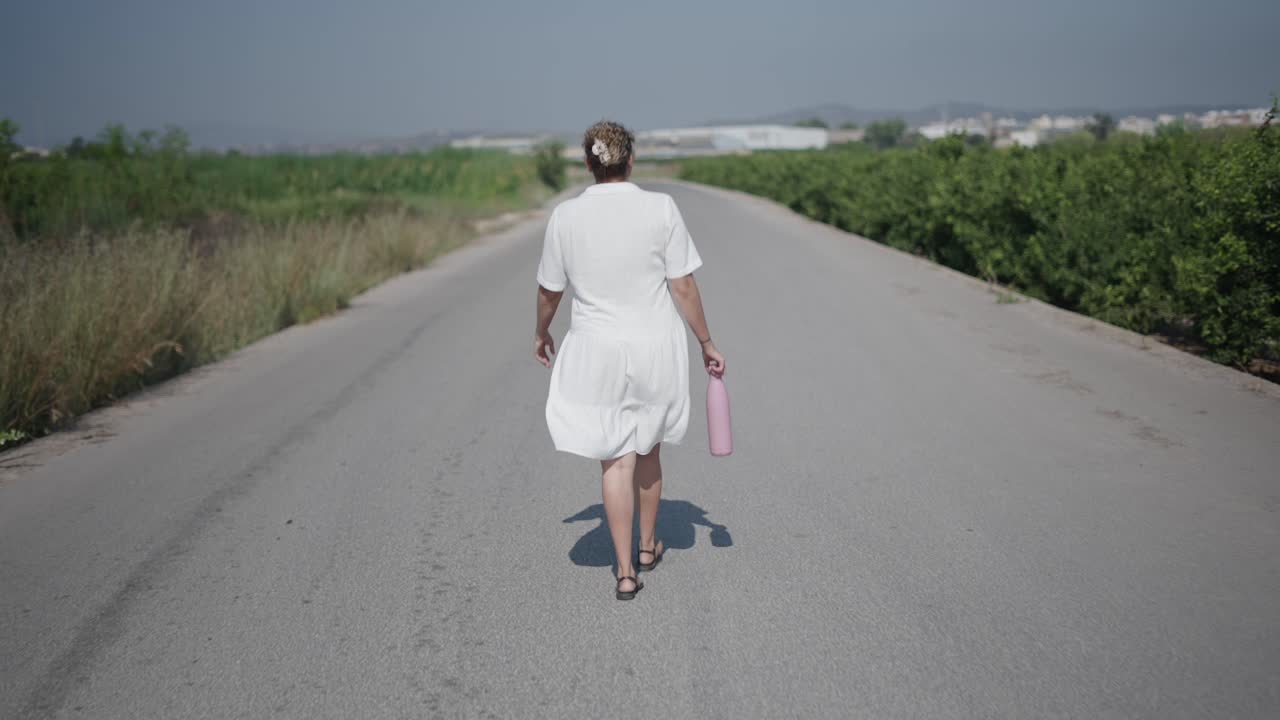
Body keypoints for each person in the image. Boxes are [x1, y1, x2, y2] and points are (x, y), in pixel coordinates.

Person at [533, 120, 726, 601]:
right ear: (631, 160)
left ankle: (624, 572)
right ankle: (646, 546)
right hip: (654, 344)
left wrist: (541, 332)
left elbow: (549, 291)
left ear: (588, 164)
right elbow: (682, 285)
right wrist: (706, 342)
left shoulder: (565, 217)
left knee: (614, 461)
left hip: (597, 348)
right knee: (648, 450)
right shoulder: (661, 208)